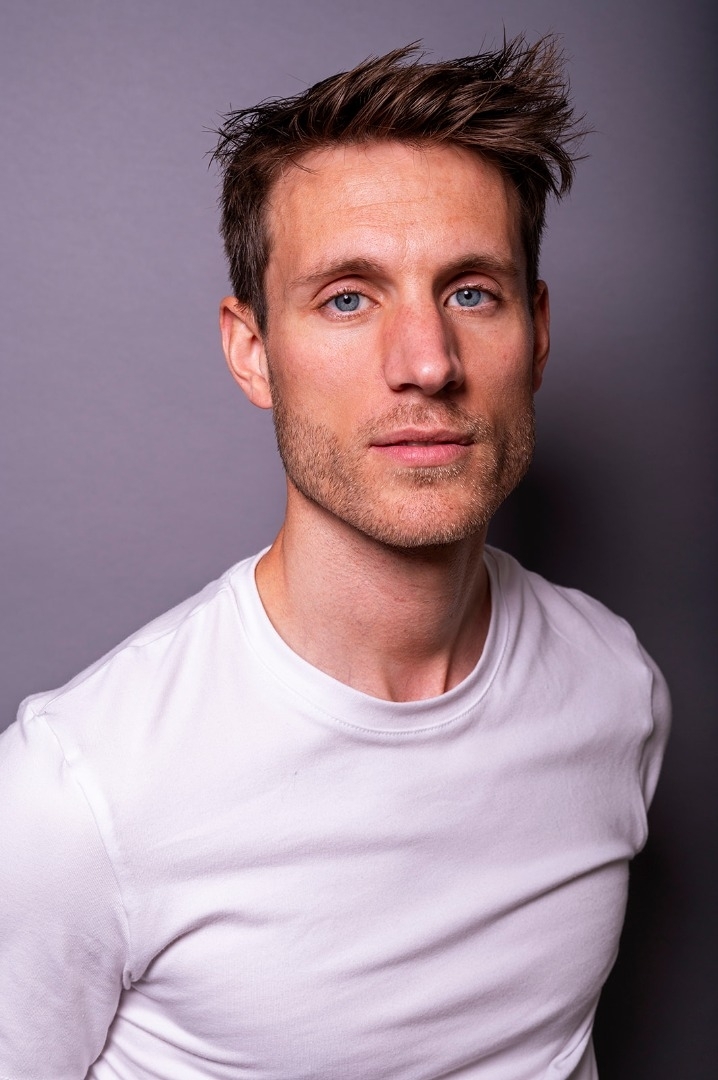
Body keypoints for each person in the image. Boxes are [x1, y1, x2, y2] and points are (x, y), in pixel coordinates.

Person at [0, 37, 669, 1080]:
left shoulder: (615, 686)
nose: (427, 363)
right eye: (348, 298)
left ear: (535, 334)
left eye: (472, 293)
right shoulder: (73, 797)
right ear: (252, 352)